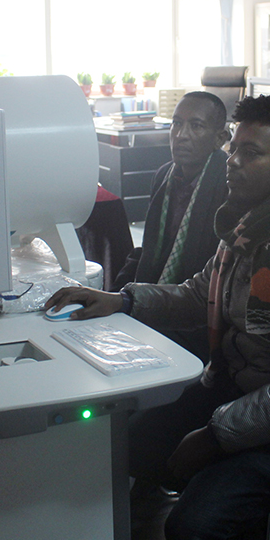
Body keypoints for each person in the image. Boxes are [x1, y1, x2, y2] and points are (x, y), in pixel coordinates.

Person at [46, 94, 270, 540]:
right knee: (131, 444)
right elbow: (198, 294)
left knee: (194, 533)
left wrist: (215, 436)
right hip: (248, 385)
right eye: (234, 149)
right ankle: (254, 509)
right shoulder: (254, 222)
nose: (232, 161)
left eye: (251, 153)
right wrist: (123, 300)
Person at [111, 91, 229, 362]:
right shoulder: (164, 175)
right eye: (176, 123)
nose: (181, 135)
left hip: (196, 315)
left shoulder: (229, 184)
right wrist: (114, 295)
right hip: (151, 300)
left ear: (220, 138)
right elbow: (148, 249)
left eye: (196, 126)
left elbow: (218, 280)